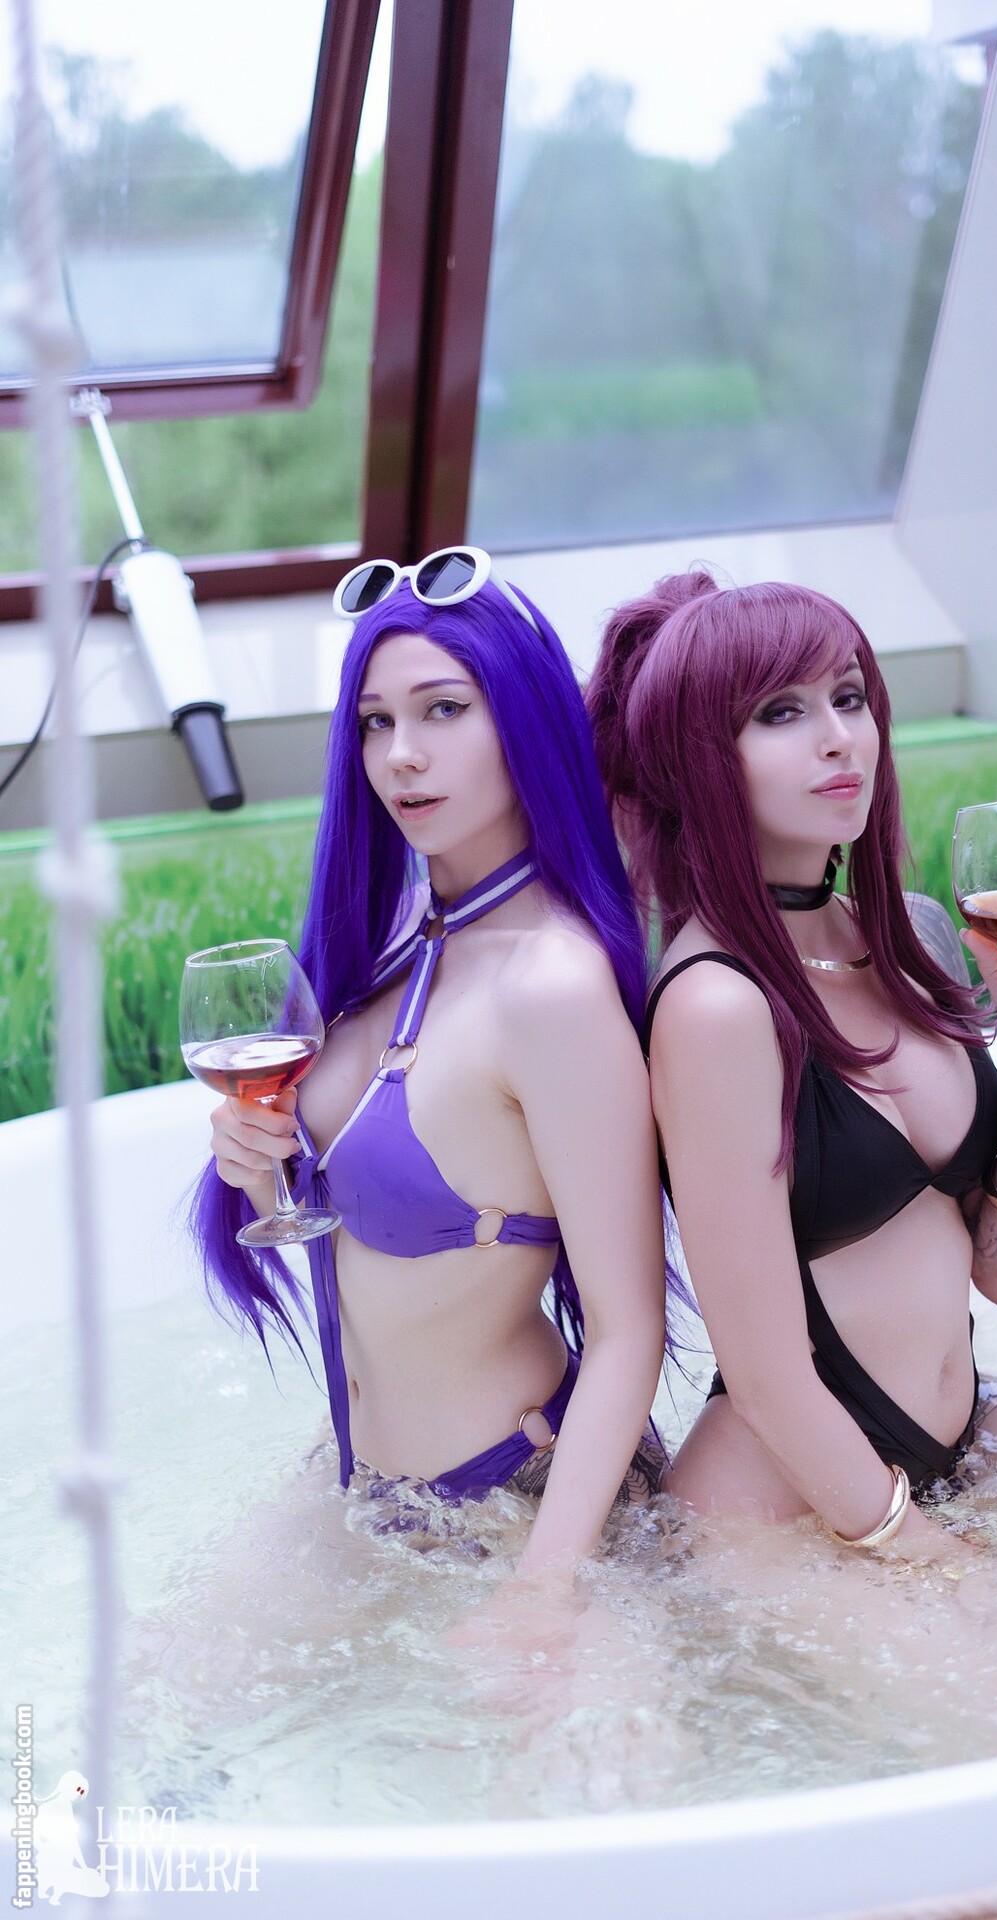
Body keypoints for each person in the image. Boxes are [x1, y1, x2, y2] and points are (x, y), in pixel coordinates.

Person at [586, 569, 997, 1556]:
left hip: (956, 1435)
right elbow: (766, 1378)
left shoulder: (910, 937)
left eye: (849, 697)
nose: (838, 737)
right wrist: (935, 1562)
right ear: (701, 760)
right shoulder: (716, 1007)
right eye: (780, 713)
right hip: (783, 1505)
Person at [190, 552, 667, 1580]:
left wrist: (545, 1593)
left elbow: (630, 1330)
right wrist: (257, 1163)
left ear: (523, 719)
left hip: (522, 1507)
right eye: (375, 722)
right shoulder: (395, 940)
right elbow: (360, 1223)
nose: (402, 755)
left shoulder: (550, 985)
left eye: (443, 710)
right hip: (365, 1487)